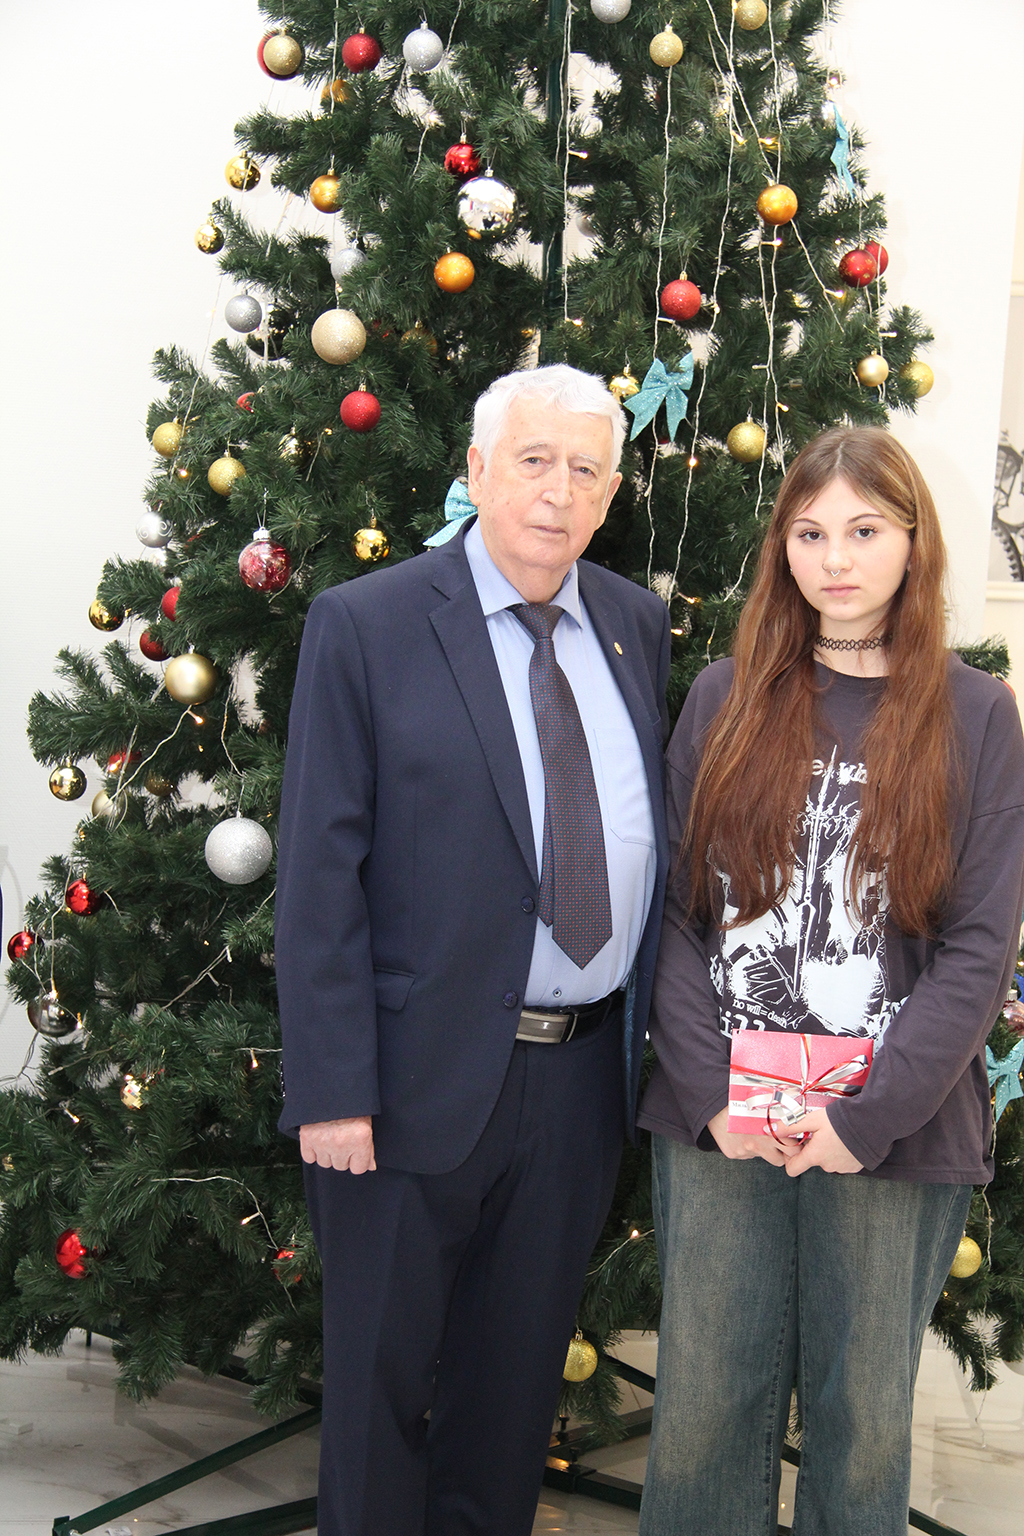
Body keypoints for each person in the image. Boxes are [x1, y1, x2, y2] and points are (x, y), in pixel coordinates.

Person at [274, 364, 670, 1536]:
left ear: (610, 495)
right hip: (408, 1083)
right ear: (478, 470)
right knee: (379, 1396)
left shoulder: (632, 625)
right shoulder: (368, 625)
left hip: (579, 1083)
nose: (558, 492)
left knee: (509, 1401)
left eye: (585, 470)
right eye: (534, 461)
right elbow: (318, 878)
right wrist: (332, 1089)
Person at [636, 427, 1024, 1536]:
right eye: (809, 534)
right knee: (703, 1411)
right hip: (725, 1119)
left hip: (891, 1128)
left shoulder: (976, 713)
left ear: (912, 542)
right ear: (782, 549)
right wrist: (712, 1095)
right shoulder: (723, 697)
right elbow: (673, 915)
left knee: (861, 1424)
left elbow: (978, 947)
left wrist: (867, 1119)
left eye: (864, 530)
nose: (836, 560)